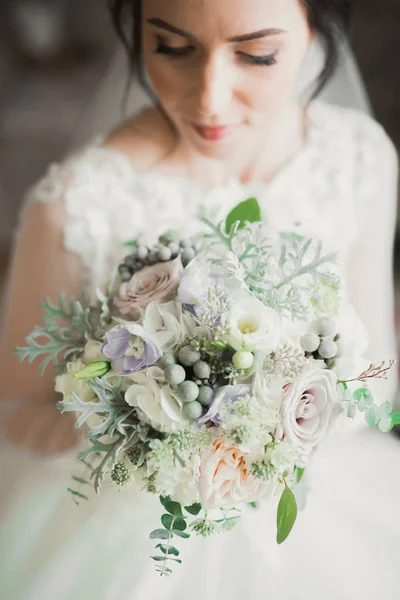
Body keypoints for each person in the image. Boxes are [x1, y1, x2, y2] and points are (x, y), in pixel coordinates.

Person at [0, 1, 399, 598]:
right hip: (119, 540)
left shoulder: (358, 159)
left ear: (316, 30)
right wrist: (131, 433)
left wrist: (280, 427)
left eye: (257, 54)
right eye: (173, 48)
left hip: (330, 514)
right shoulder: (73, 205)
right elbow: (15, 410)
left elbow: (379, 379)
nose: (209, 99)